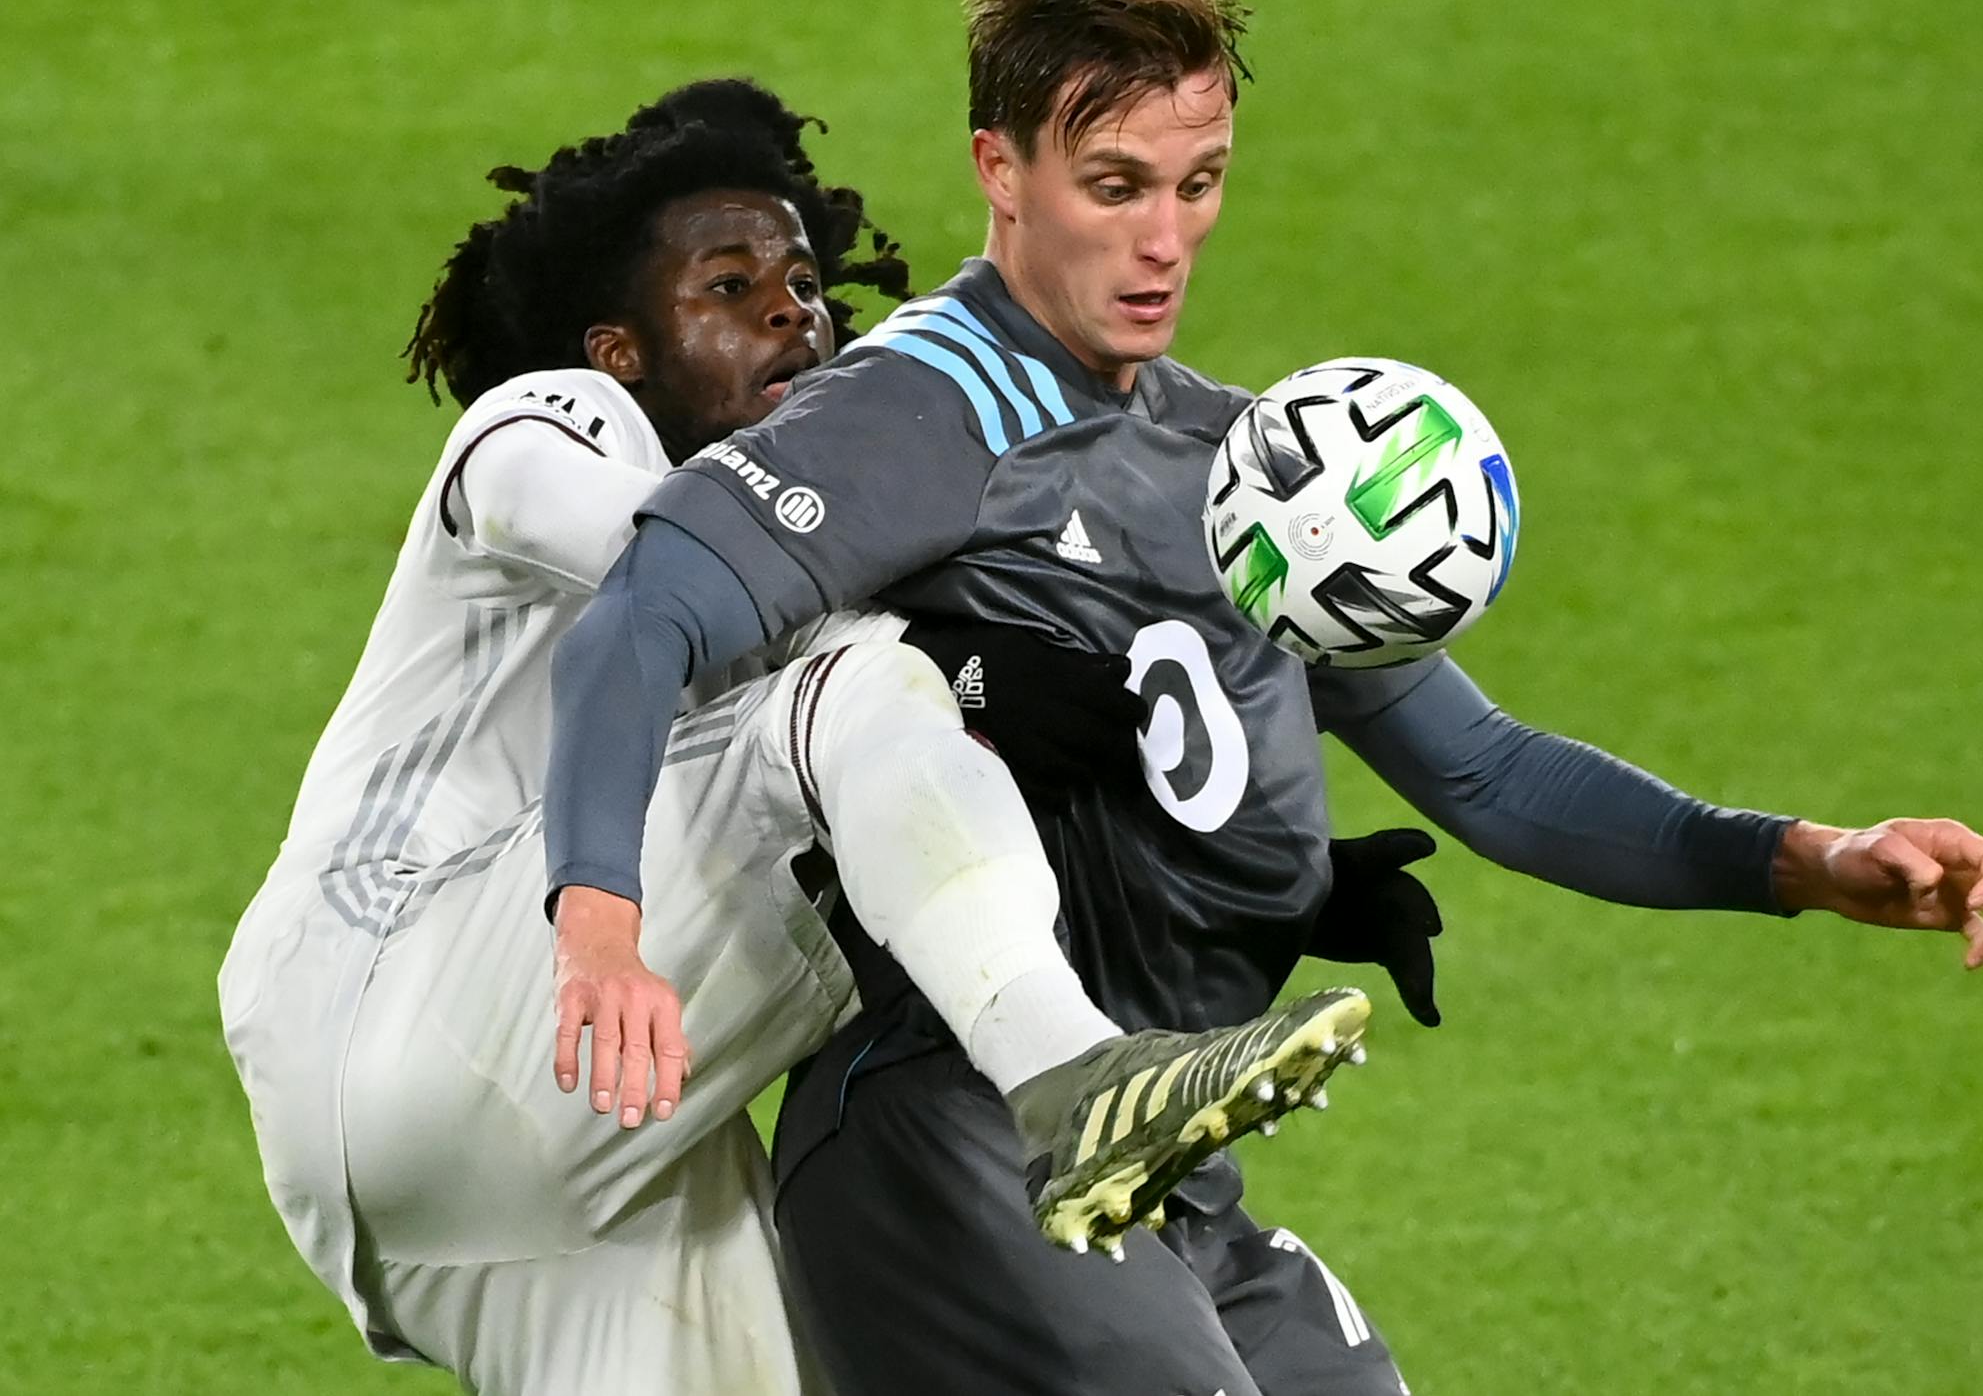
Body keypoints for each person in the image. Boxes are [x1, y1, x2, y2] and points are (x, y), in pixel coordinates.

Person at [542, 0, 1983, 1396]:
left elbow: (1487, 771)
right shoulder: (920, 412)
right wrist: (597, 924)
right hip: (962, 1140)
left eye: (1199, 185)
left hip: (1178, 1165)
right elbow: (644, 612)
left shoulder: (1235, 464)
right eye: (1114, 187)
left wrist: (1813, 860)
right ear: (1001, 170)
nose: (1165, 238)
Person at [217, 78, 1370, 1396]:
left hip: (558, 1154)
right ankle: (1077, 1087)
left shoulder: (821, 547)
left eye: (806, 282)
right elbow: (640, 560)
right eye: (726, 285)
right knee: (859, 681)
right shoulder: (547, 422)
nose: (789, 308)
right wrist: (966, 659)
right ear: (616, 348)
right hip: (386, 1002)